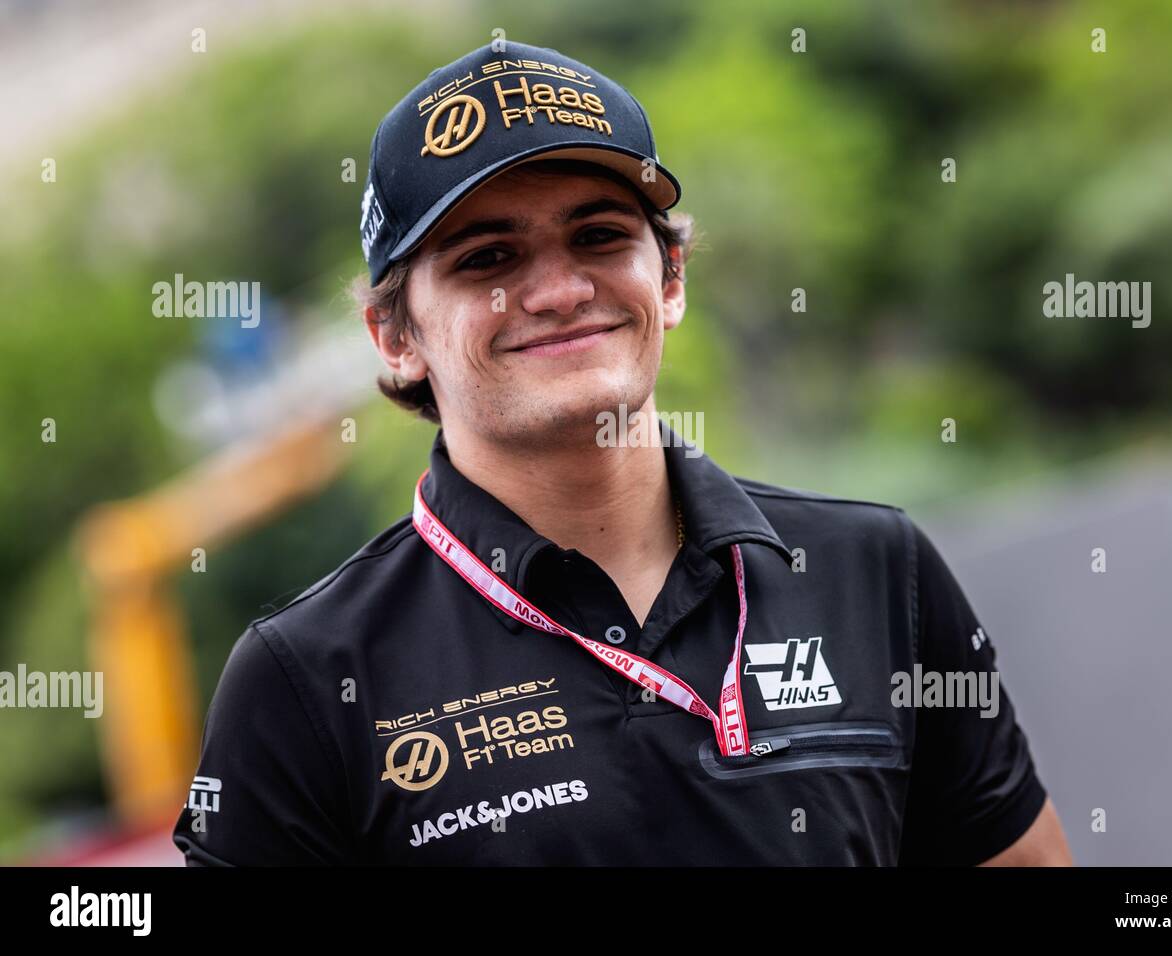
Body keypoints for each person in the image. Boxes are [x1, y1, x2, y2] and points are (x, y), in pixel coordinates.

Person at [173, 39, 1071, 866]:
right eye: (488, 258)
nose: (561, 290)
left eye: (600, 236)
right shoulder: (305, 680)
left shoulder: (877, 569)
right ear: (394, 335)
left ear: (669, 279)